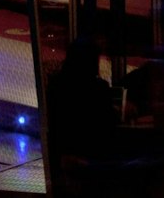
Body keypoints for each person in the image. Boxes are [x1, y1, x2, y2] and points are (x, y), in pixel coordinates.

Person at [44, 36, 116, 194]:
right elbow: (108, 125)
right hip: (92, 159)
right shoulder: (99, 89)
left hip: (62, 159)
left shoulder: (55, 85)